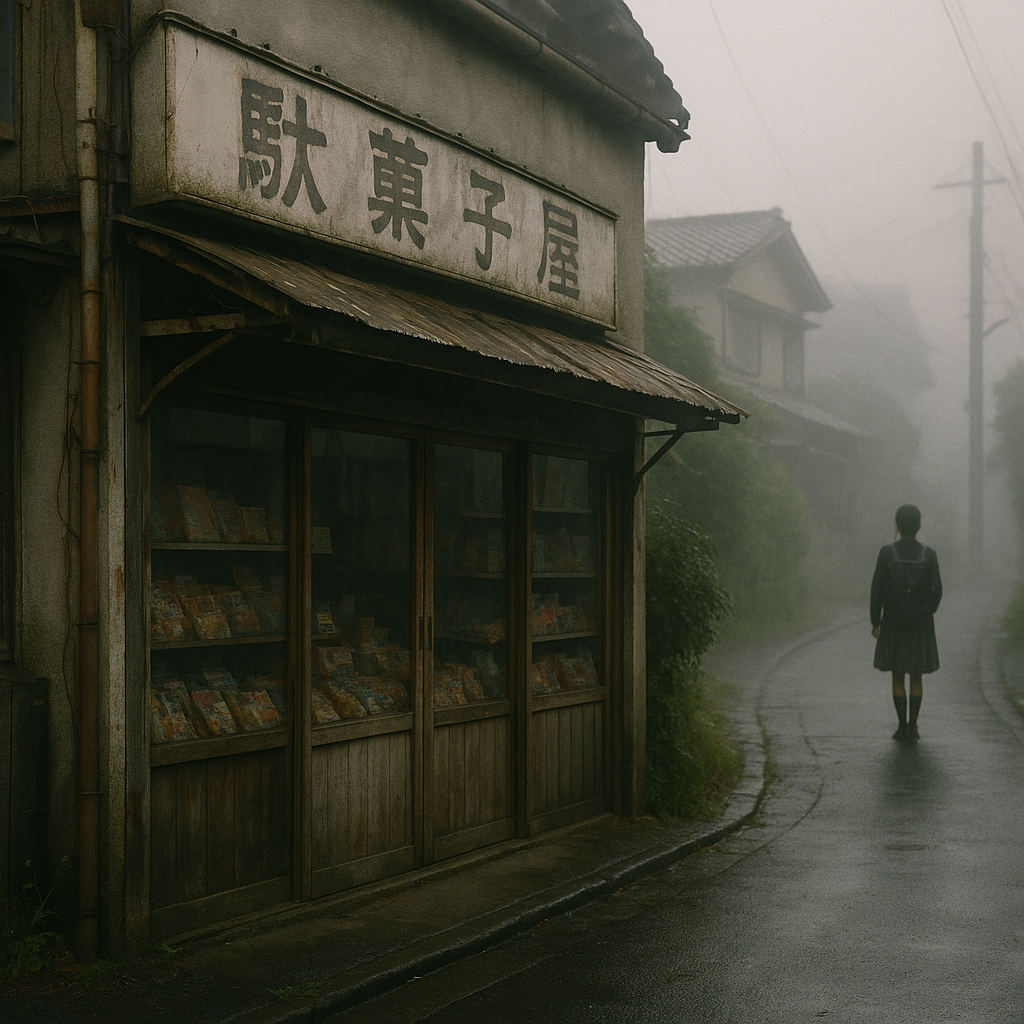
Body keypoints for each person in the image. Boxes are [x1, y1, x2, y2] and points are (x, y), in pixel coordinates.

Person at [870, 504, 942, 741]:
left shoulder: (886, 553)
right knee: (917, 675)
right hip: (920, 622)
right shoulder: (929, 554)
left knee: (898, 674)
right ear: (919, 526)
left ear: (898, 526)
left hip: (893, 620)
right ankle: (914, 726)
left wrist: (875, 620)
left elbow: (877, 588)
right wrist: (928, 609)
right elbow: (937, 590)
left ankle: (901, 726)